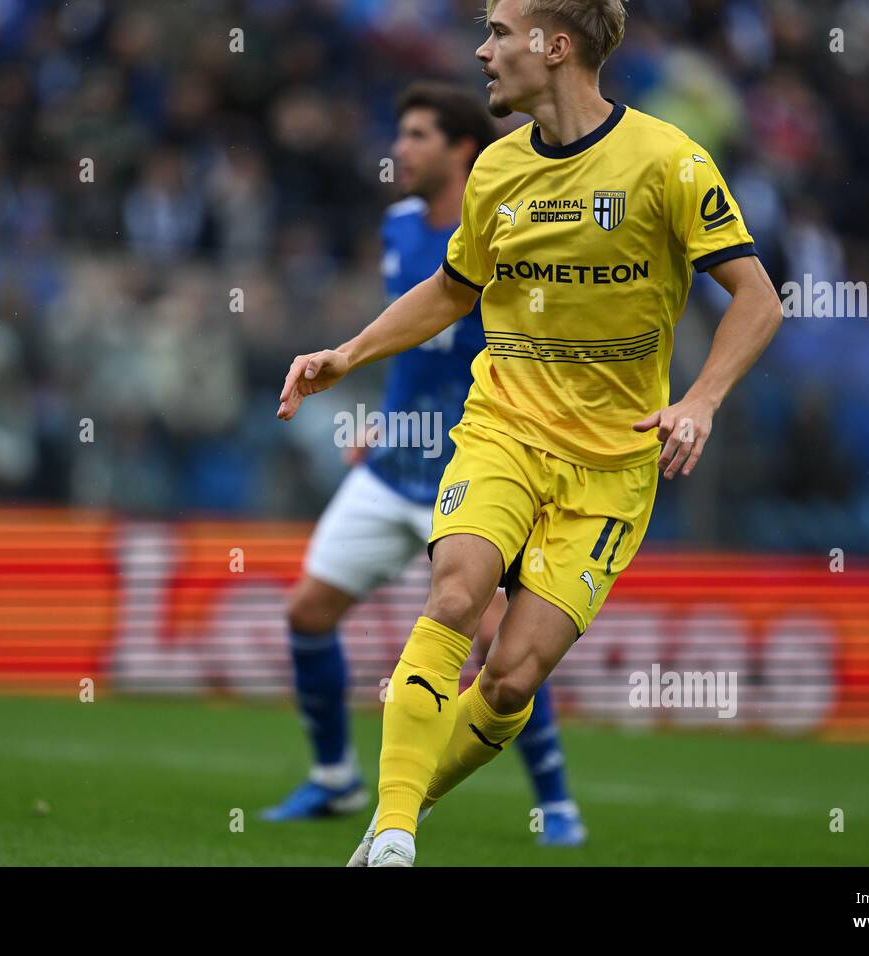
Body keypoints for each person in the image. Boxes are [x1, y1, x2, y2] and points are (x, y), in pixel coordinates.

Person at [277, 0, 782, 866]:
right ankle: (396, 833)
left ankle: (397, 808)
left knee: (511, 679)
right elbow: (453, 287)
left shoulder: (668, 160)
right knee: (455, 594)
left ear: (555, 46)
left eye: (499, 32)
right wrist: (347, 354)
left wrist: (699, 400)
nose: (482, 50)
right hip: (503, 428)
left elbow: (759, 298)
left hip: (614, 464)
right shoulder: (497, 171)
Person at [263, 83, 588, 847]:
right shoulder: (399, 225)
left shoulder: (511, 222)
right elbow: (416, 338)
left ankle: (556, 801)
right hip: (392, 463)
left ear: (461, 150)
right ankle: (336, 778)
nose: (400, 149)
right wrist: (382, 418)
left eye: (417, 135)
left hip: (480, 463)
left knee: (501, 647)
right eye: (400, 133)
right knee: (307, 609)